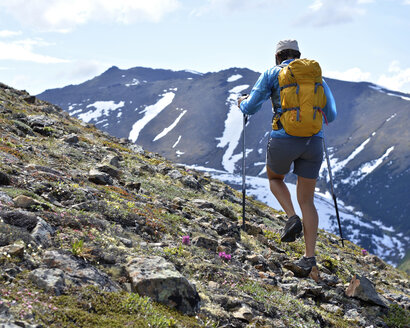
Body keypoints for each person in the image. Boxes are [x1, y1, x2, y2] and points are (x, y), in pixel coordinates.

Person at [237, 39, 337, 277]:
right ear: (299, 55)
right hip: (313, 141)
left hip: (284, 139)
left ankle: (292, 218)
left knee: (275, 178)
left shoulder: (273, 73)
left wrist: (241, 102)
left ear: (277, 57)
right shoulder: (315, 77)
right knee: (308, 201)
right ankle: (309, 258)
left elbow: (251, 107)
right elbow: (331, 115)